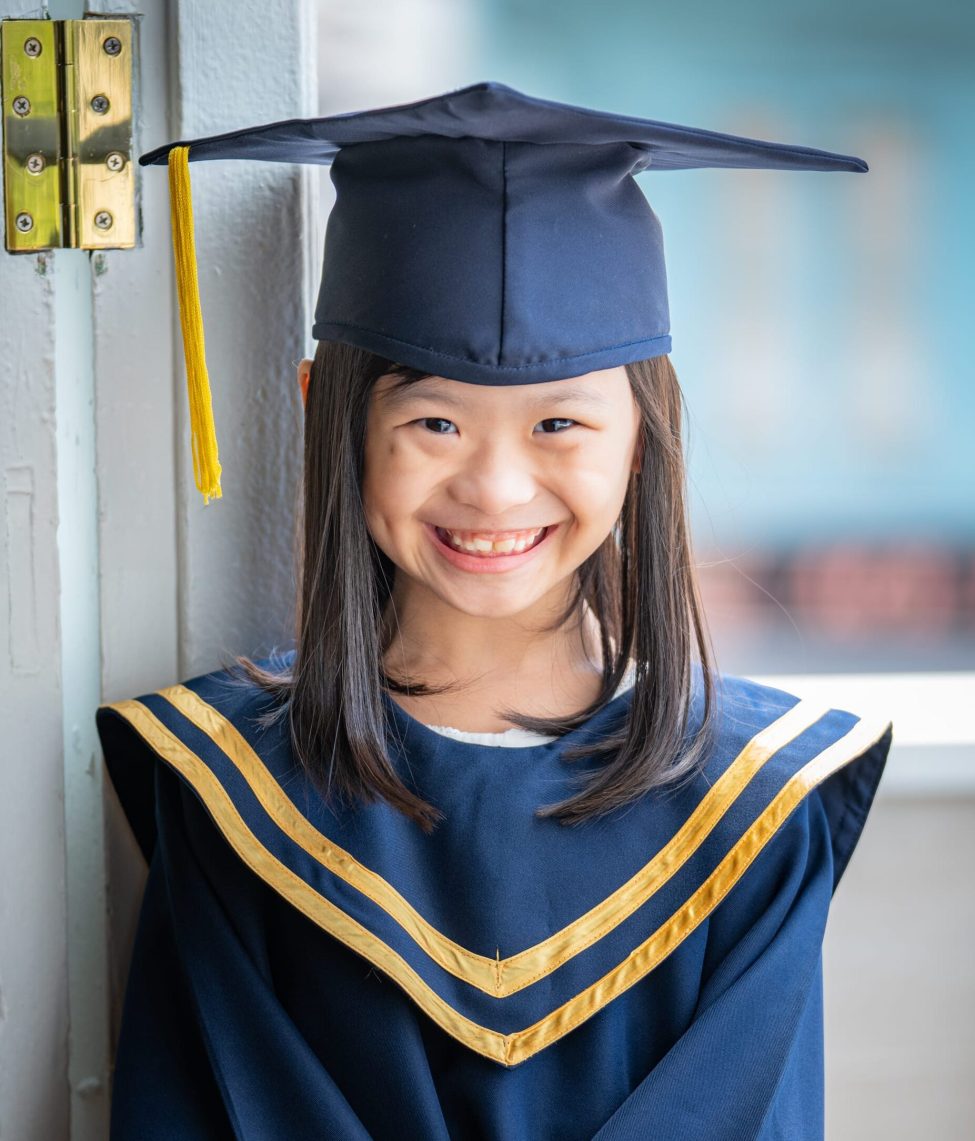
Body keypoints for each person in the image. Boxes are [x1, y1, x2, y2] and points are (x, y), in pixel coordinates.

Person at [96, 81, 893, 1140]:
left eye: (560, 421)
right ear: (326, 418)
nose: (497, 490)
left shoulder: (754, 807)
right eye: (434, 420)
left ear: (643, 441)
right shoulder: (232, 797)